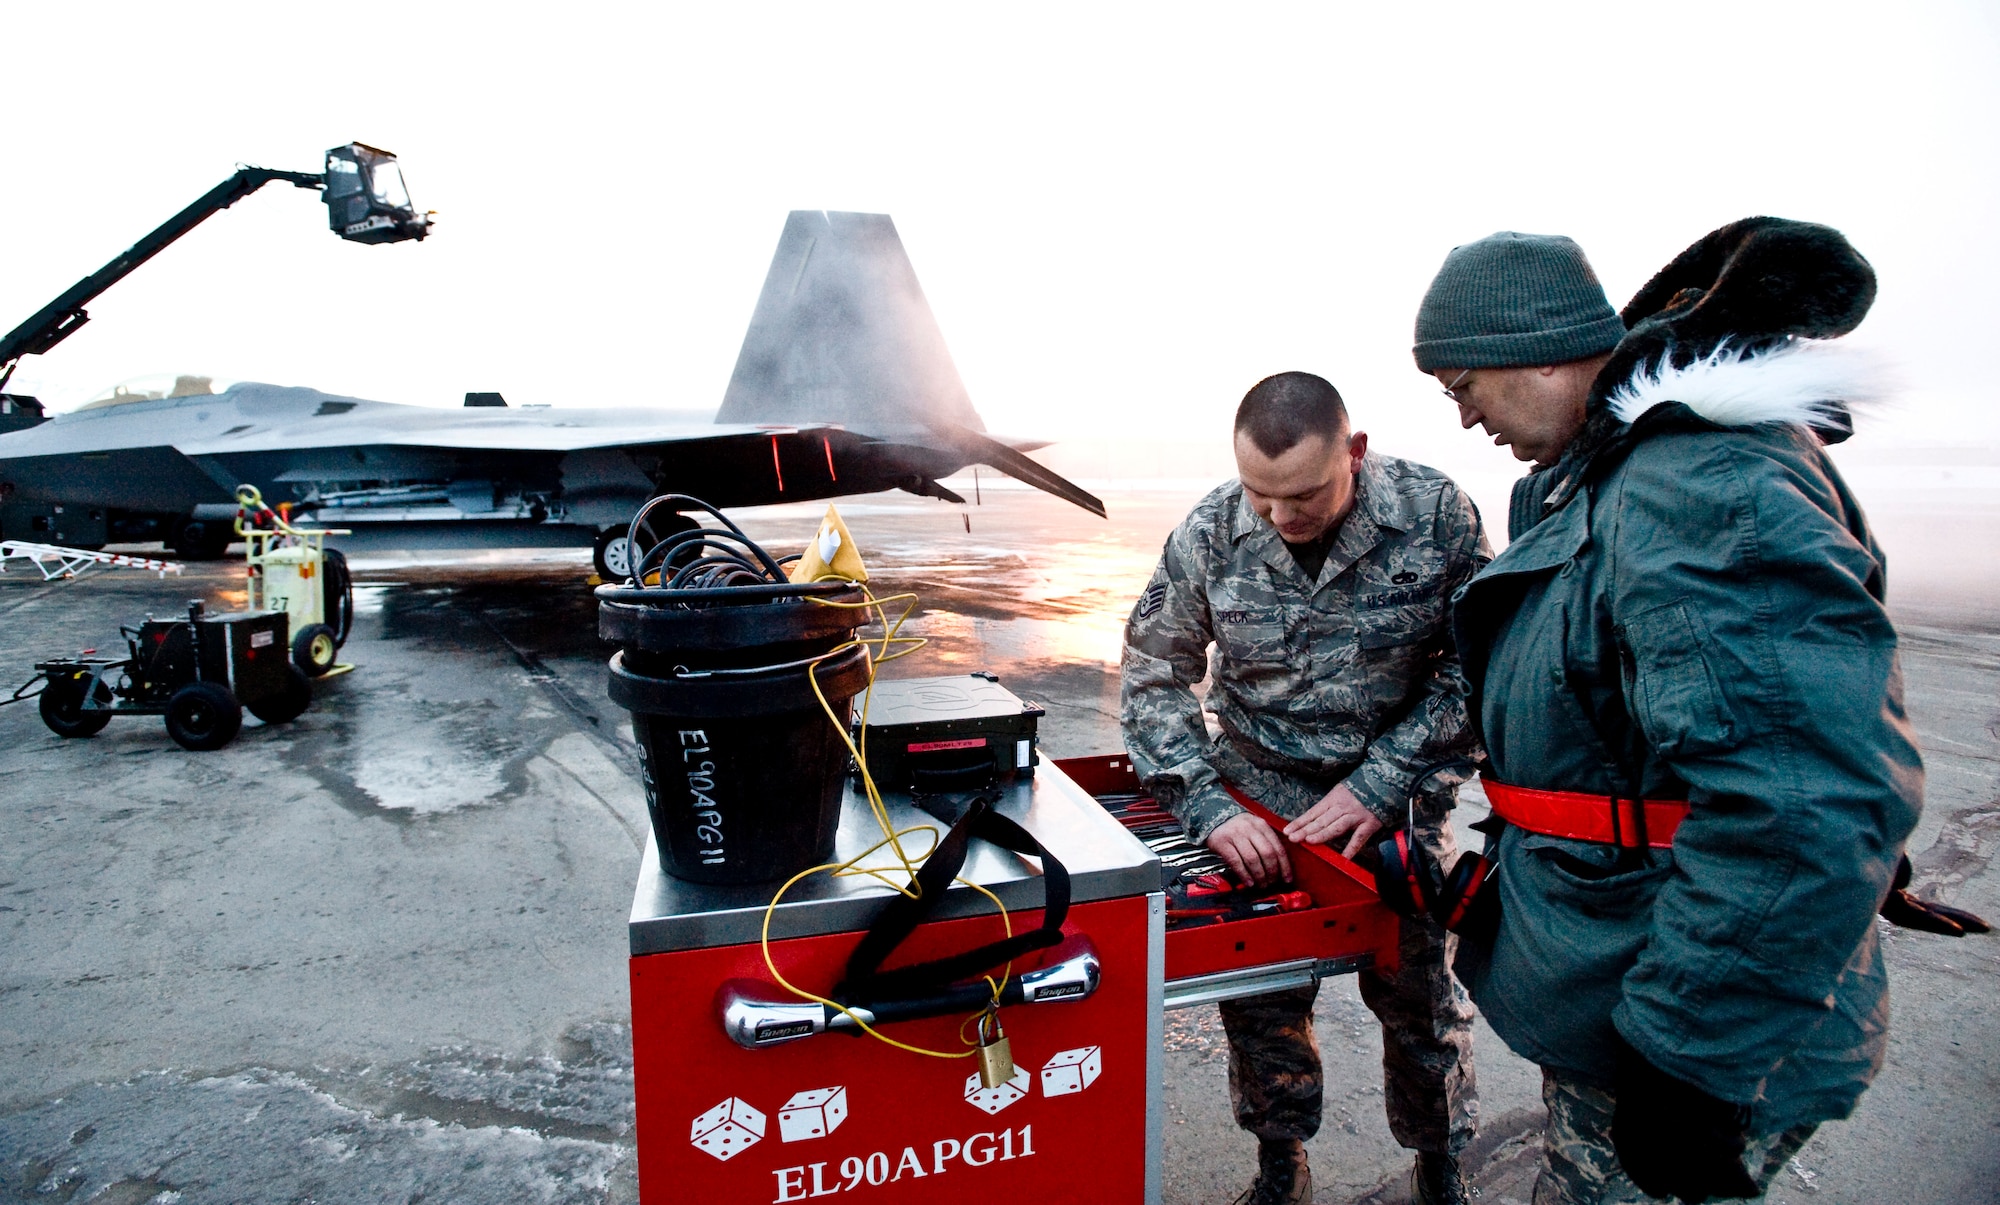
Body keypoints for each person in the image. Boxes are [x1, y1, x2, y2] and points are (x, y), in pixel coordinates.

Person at [1413, 221, 1928, 1203]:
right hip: (1623, 961)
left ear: (1528, 349)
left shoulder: (1699, 487)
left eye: (1461, 387)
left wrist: (1687, 1055)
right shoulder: (1607, 482)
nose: (1465, 419)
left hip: (1685, 1012)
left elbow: (1800, 797)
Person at [1122, 371, 1490, 1205]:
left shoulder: (1434, 515)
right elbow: (1152, 677)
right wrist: (1210, 806)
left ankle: (1442, 1171)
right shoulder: (1213, 530)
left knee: (1425, 1006)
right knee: (1263, 1007)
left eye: (1304, 495)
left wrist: (1386, 777)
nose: (1282, 517)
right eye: (1262, 495)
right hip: (1260, 797)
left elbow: (1483, 664)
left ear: (1354, 454)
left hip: (1394, 808)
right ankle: (1280, 1170)